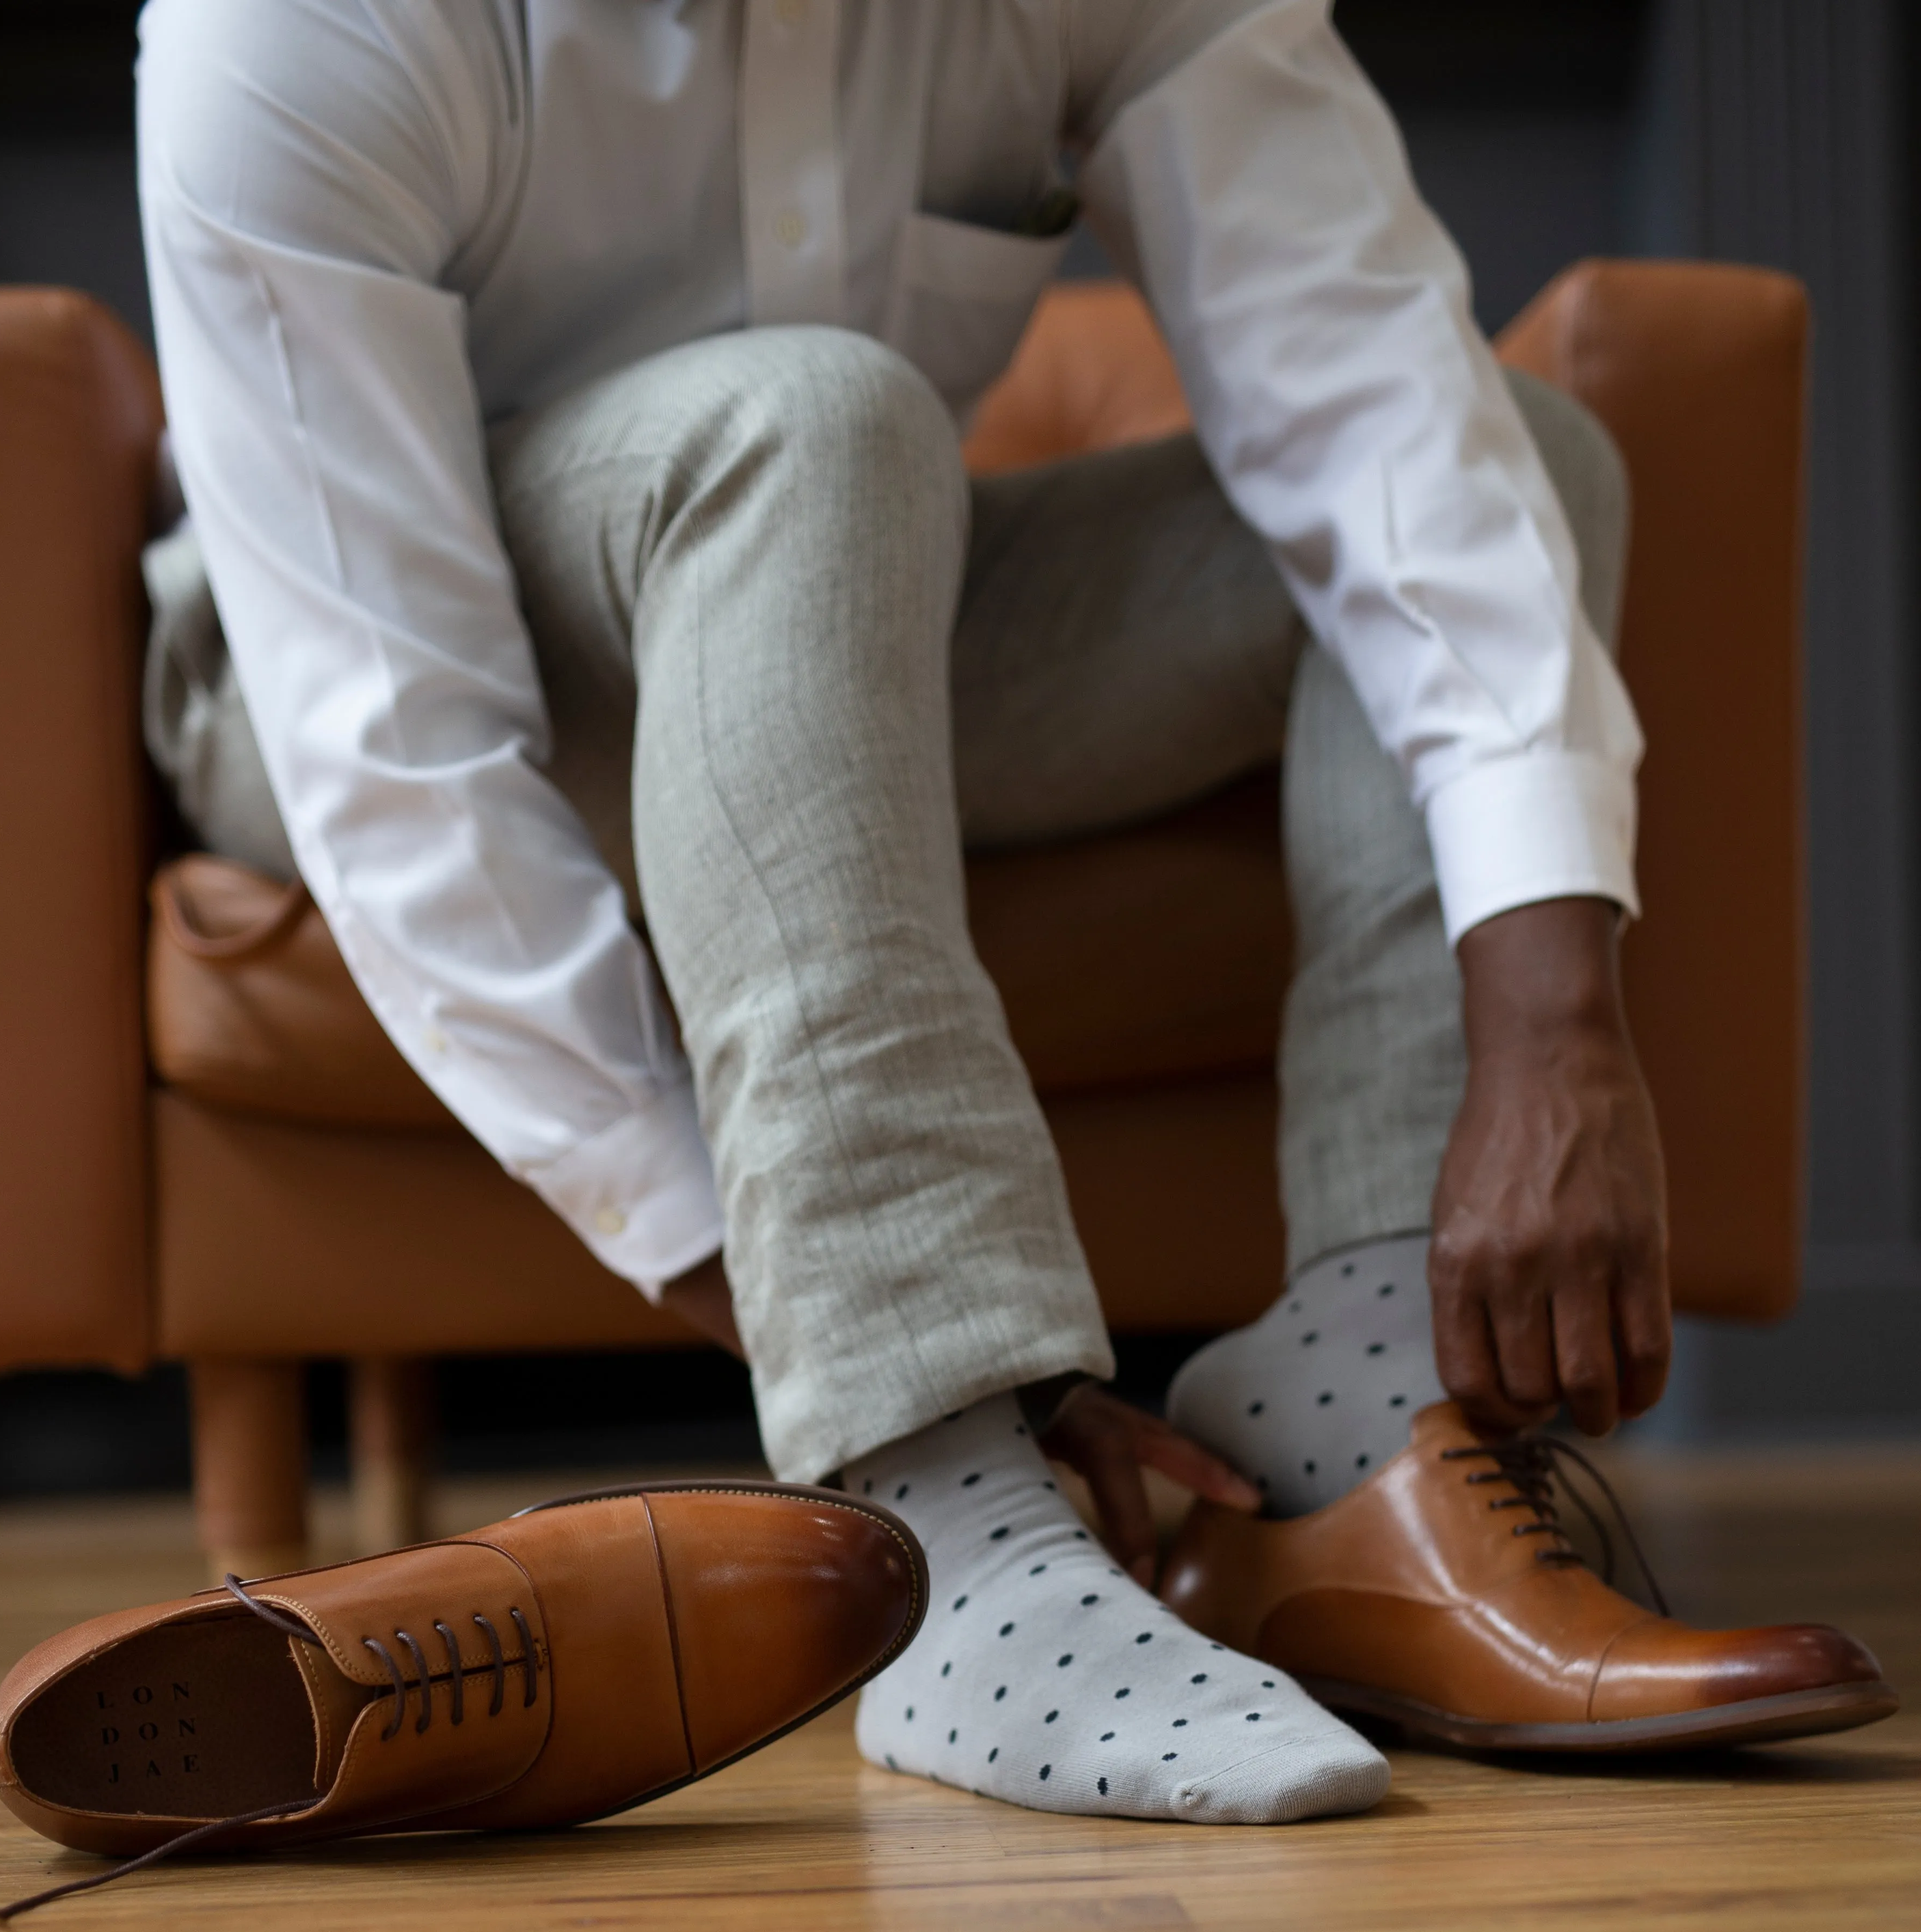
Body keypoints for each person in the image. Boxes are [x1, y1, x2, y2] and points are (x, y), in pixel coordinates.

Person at [134, 0, 1890, 1835]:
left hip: (840, 611)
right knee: (812, 417)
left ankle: (1362, 1445)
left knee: (1521, 447)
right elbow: (398, 758)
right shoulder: (301, 25)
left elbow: (1377, 394)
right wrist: (889, 1343)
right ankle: (944, 1536)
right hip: (331, 677)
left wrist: (1555, 1029)